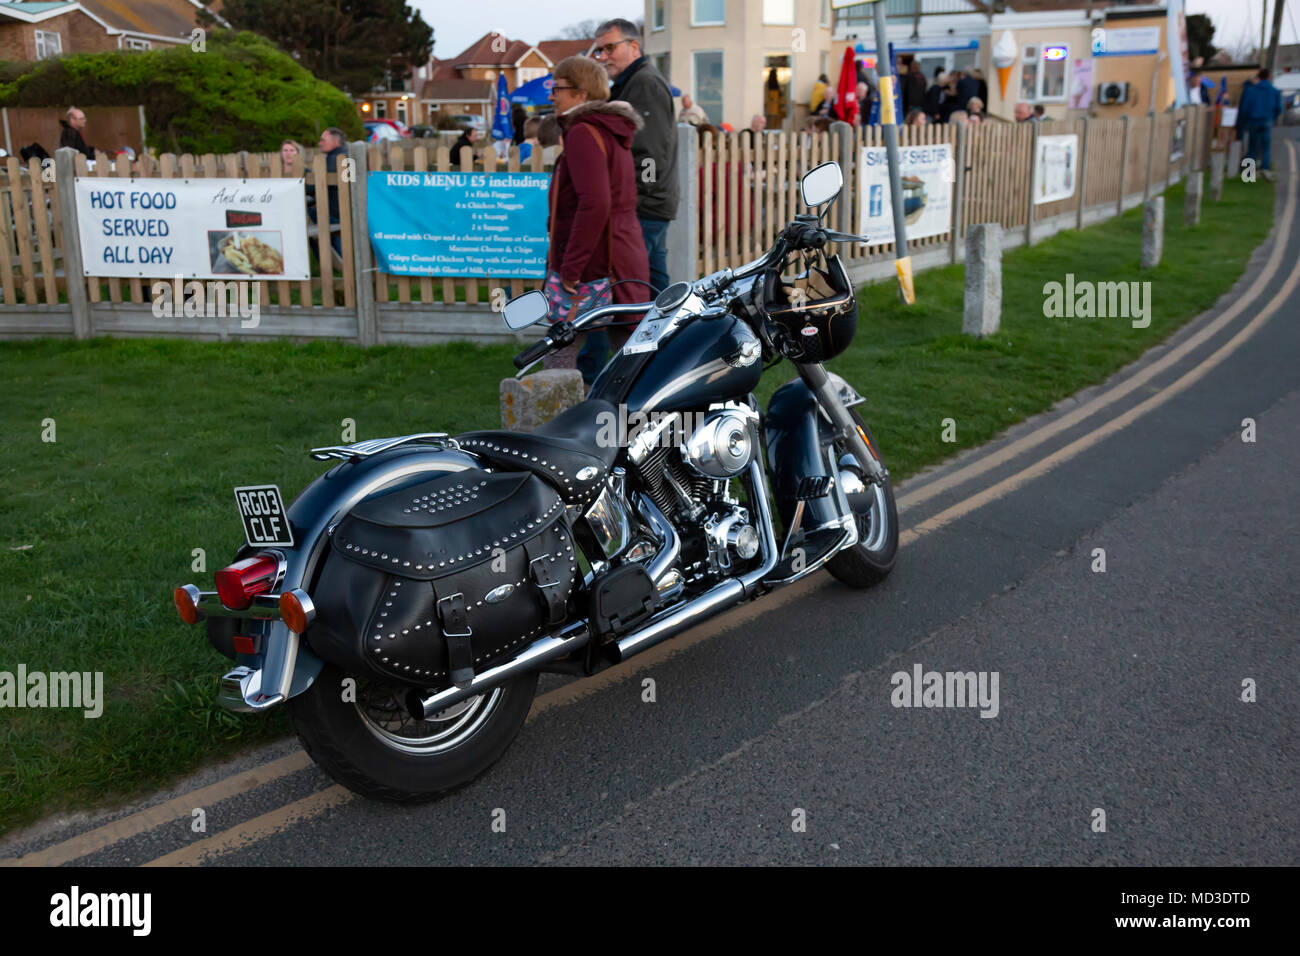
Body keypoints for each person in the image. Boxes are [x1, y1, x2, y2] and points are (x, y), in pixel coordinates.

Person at [578, 17, 677, 382]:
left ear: (634, 47)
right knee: (655, 291)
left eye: (610, 47)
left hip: (643, 209)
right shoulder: (631, 83)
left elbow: (649, 154)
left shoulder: (644, 84)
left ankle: (595, 373)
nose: (603, 56)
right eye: (598, 49)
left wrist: (632, 198)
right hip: (649, 207)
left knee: (616, 289)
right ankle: (668, 358)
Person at [543, 55, 649, 374]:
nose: (552, 95)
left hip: (596, 262)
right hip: (620, 254)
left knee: (559, 348)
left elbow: (596, 204)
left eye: (557, 88)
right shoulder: (608, 131)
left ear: (581, 94)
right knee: (631, 354)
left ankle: (556, 420)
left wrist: (571, 268)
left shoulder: (582, 132)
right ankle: (633, 418)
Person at [305, 127, 347, 257]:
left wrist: (305, 179)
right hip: (348, 210)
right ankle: (338, 262)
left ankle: (326, 260)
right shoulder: (347, 156)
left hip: (334, 215)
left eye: (323, 140)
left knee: (303, 215)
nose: (319, 143)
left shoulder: (332, 160)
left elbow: (314, 188)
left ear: (335, 141)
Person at [1238, 68, 1282, 181]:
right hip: (1267, 120)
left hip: (1253, 121)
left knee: (1252, 147)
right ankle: (1265, 169)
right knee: (1265, 147)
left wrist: (1243, 122)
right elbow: (1279, 108)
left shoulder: (1251, 90)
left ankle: (1249, 175)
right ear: (1269, 77)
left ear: (1259, 77)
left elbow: (1244, 108)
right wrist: (1273, 118)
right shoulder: (1274, 91)